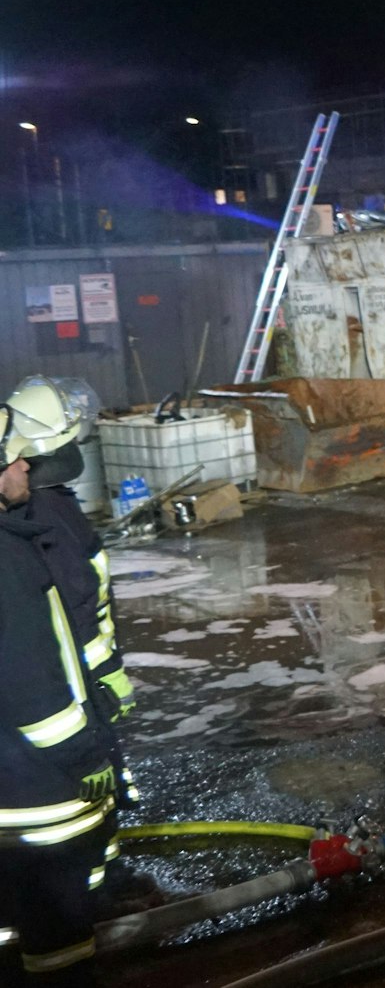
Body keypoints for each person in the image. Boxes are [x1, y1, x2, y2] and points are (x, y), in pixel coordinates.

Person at [2, 376, 136, 985]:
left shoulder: (36, 517)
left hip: (51, 732)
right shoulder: (30, 535)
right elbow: (41, 660)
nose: (24, 469)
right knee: (53, 903)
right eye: (15, 461)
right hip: (41, 763)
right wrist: (84, 742)